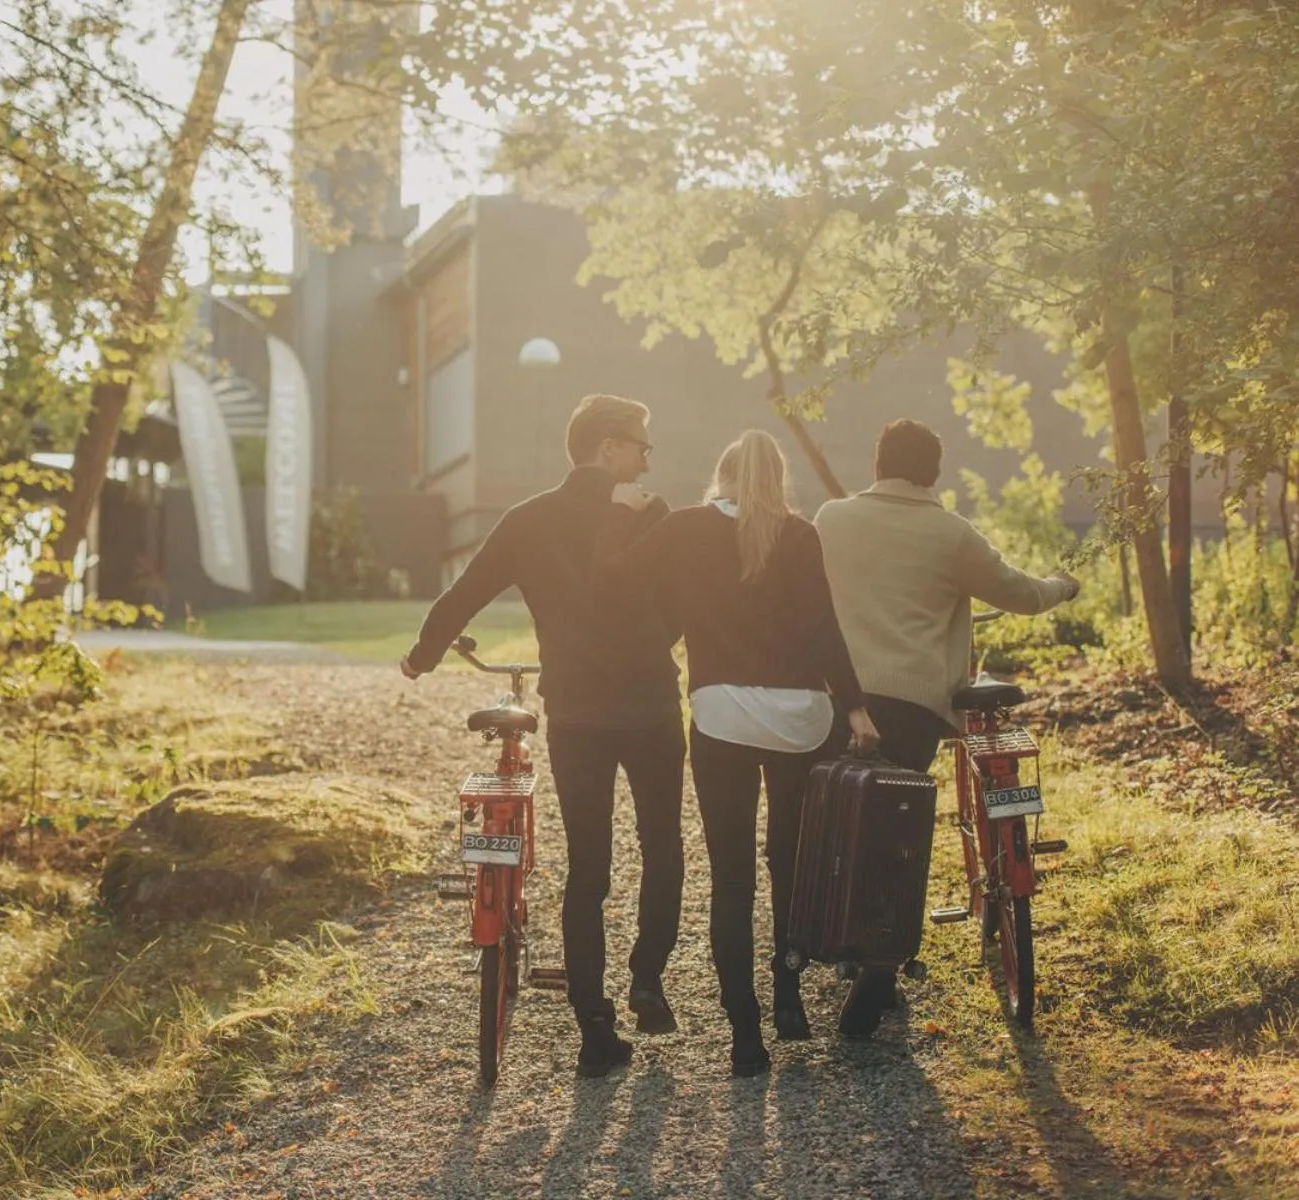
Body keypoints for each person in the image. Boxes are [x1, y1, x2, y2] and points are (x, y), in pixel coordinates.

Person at [400, 394, 685, 1079]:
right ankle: (648, 980)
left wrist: (424, 654)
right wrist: (654, 645)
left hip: (579, 712)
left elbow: (466, 591)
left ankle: (594, 1028)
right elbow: (683, 602)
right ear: (610, 447)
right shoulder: (651, 513)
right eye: (642, 445)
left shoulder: (528, 520)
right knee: (662, 842)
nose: (648, 458)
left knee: (588, 867)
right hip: (648, 703)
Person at [596, 430, 880, 1078]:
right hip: (799, 721)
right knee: (789, 861)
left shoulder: (688, 529)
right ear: (778, 479)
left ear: (721, 474)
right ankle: (788, 997)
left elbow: (613, 578)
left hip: (722, 714)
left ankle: (745, 1033)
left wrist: (622, 508)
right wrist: (856, 706)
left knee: (732, 879)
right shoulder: (801, 534)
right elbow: (822, 626)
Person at [814, 417, 1080, 1036]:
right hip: (911, 707)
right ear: (933, 472)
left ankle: (844, 951)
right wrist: (1062, 587)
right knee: (897, 833)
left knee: (842, 825)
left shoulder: (831, 519)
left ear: (877, 463)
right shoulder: (950, 533)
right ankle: (880, 971)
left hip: (839, 698)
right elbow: (1019, 592)